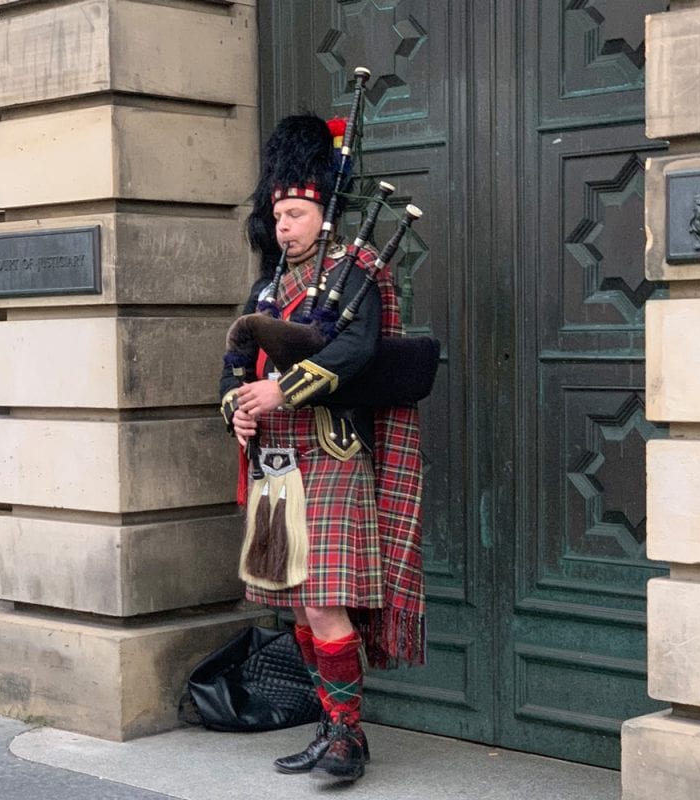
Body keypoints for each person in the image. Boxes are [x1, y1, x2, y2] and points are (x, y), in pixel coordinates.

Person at [219, 113, 425, 785]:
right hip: (278, 463)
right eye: (278, 212)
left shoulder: (356, 272)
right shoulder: (266, 290)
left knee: (325, 599)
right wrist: (239, 412)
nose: (285, 223)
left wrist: (282, 394)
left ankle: (348, 739)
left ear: (324, 213)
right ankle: (332, 727)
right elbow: (233, 366)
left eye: (299, 209)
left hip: (332, 454)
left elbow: (355, 349)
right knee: (299, 603)